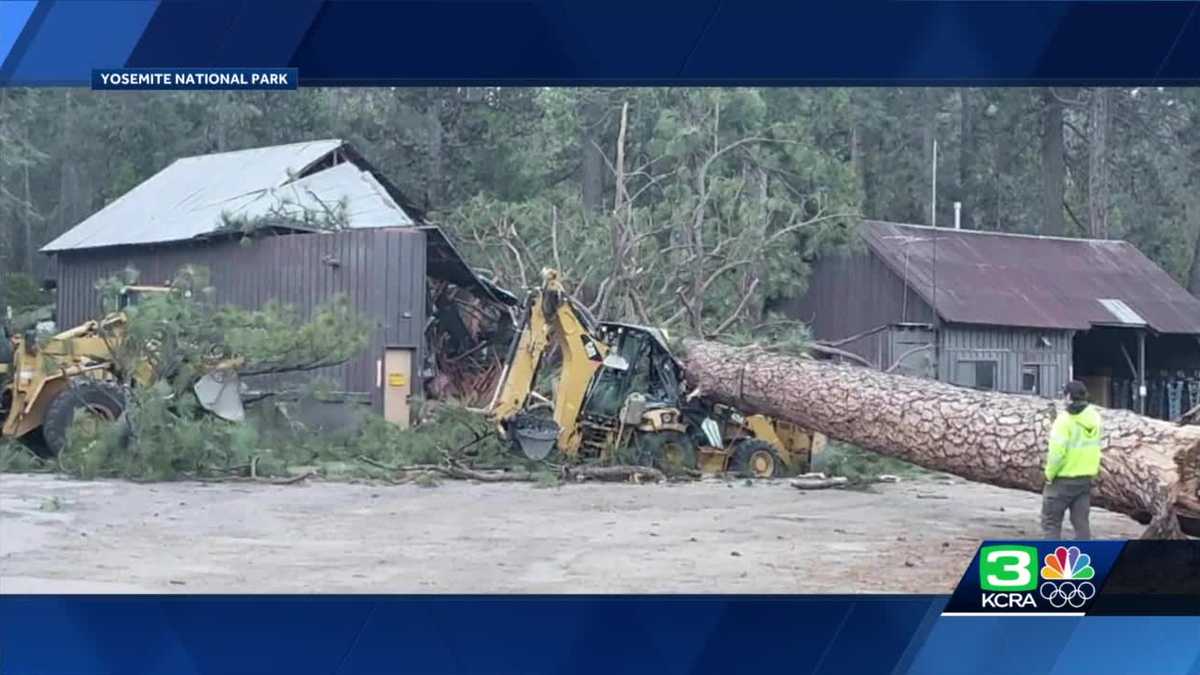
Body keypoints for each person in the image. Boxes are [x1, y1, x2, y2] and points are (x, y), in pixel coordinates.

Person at [1041, 380, 1103, 540]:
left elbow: (1057, 454)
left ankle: (1051, 560)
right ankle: (1085, 560)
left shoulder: (1064, 421)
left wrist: (1049, 474)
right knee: (1081, 524)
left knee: (1051, 523)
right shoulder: (1095, 418)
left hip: (1062, 480)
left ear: (1068, 397)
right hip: (1084, 480)